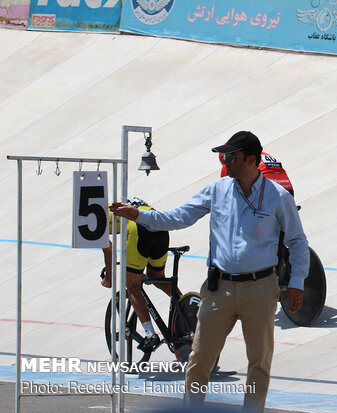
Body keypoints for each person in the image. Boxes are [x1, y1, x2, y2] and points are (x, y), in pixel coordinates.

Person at [109, 131, 309, 412]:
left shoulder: (277, 197)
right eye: (224, 156)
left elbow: (297, 241)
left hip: (261, 288)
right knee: (200, 359)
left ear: (251, 160)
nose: (225, 161)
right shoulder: (217, 189)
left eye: (232, 156)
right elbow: (179, 217)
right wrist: (139, 215)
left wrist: (297, 282)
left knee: (259, 363)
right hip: (220, 289)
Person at [101, 197, 173, 353]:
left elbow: (109, 250)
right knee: (157, 278)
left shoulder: (90, 221)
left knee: (132, 284)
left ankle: (150, 334)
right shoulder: (113, 200)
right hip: (158, 224)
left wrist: (108, 278)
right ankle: (186, 309)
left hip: (137, 229)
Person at [220, 151, 295, 197]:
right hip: (288, 189)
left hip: (268, 191)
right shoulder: (262, 154)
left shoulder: (229, 163)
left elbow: (227, 189)